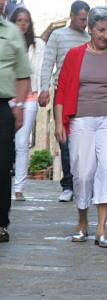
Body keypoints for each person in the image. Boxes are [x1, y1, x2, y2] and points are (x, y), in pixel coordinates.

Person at [54, 6, 107, 248]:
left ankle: (101, 228)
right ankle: (81, 220)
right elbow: (62, 90)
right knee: (83, 172)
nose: (105, 35)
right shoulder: (75, 55)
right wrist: (59, 122)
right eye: (101, 30)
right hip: (81, 120)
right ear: (90, 29)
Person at [39, 0, 90, 202]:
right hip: (63, 93)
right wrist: (44, 89)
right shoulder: (58, 36)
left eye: (87, 19)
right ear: (72, 15)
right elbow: (47, 63)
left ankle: (82, 184)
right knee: (65, 141)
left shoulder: (90, 38)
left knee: (84, 142)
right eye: (82, 18)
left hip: (85, 95)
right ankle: (68, 185)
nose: (85, 23)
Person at [0, 0, 31, 243]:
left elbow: (23, 75)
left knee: (2, 167)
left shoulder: (11, 33)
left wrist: (19, 107)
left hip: (2, 107)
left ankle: (0, 223)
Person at [9, 7, 45, 201]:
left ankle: (19, 188)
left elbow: (43, 69)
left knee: (22, 144)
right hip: (6, 97)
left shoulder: (38, 44)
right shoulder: (6, 41)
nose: (23, 24)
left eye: (26, 20)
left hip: (29, 98)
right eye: (19, 20)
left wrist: (43, 90)